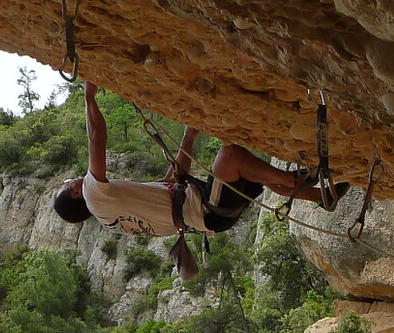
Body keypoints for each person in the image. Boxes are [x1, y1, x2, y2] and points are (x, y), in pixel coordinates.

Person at [52, 81, 343, 240]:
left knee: (255, 176)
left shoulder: (113, 216)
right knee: (231, 156)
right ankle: (295, 180)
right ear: (75, 193)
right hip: (205, 210)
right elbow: (96, 139)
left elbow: (169, 186)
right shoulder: (93, 193)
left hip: (208, 215)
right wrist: (89, 97)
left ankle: (318, 196)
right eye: (68, 184)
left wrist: (188, 140)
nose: (72, 180)